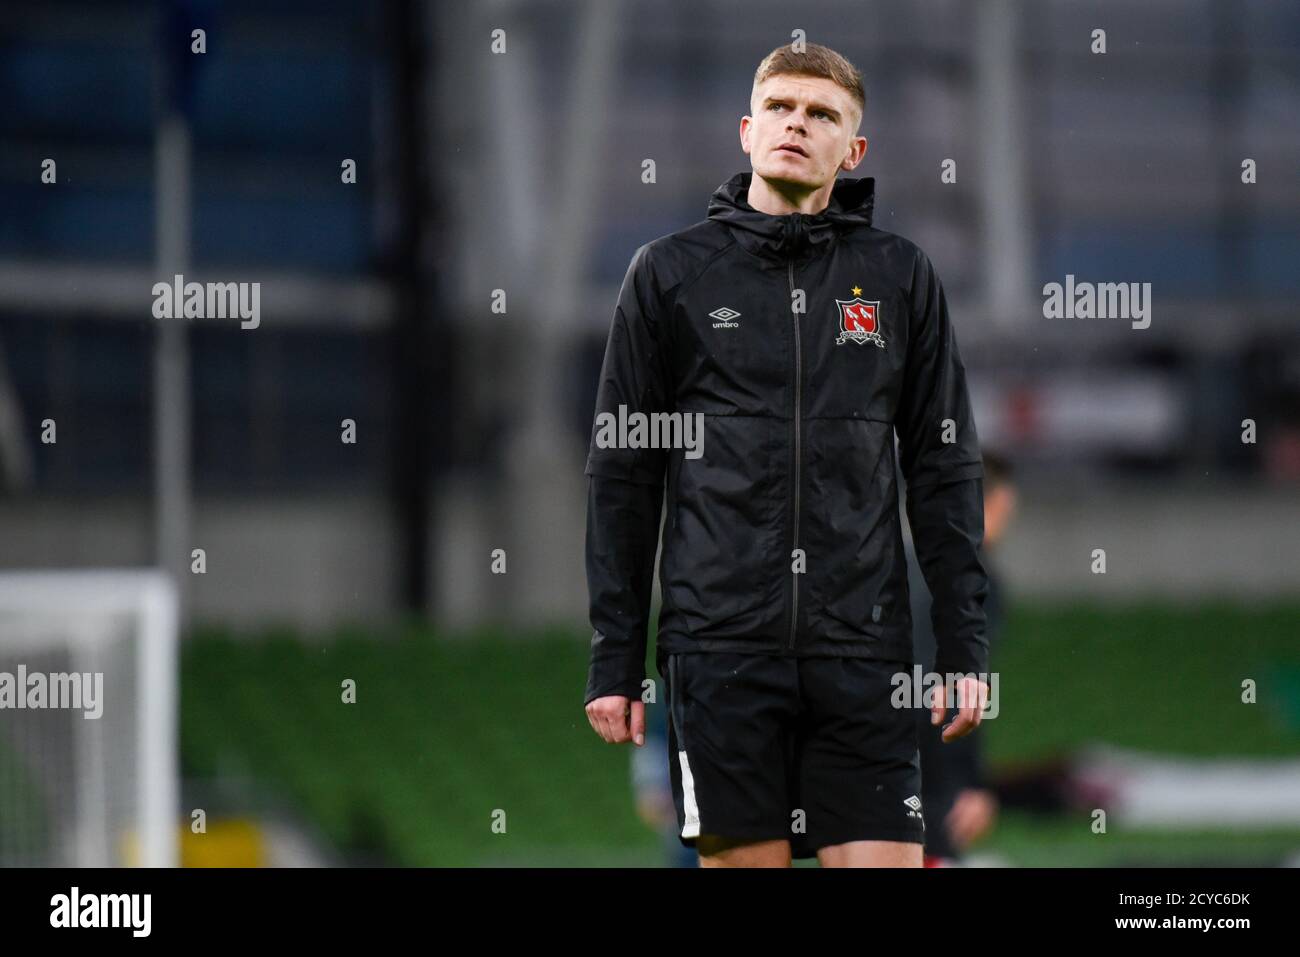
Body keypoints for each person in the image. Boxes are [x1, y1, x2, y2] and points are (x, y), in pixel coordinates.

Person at [582, 42, 991, 868]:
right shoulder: (668, 275)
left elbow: (943, 468)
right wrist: (615, 657)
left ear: (854, 149)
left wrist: (961, 649)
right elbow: (625, 475)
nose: (796, 126)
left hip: (865, 653)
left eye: (821, 115)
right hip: (720, 652)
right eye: (780, 109)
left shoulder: (901, 277)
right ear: (747, 128)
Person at [909, 450, 1017, 866]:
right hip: (930, 774)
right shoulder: (976, 580)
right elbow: (954, 683)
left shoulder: (897, 561)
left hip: (863, 760)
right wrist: (967, 783)